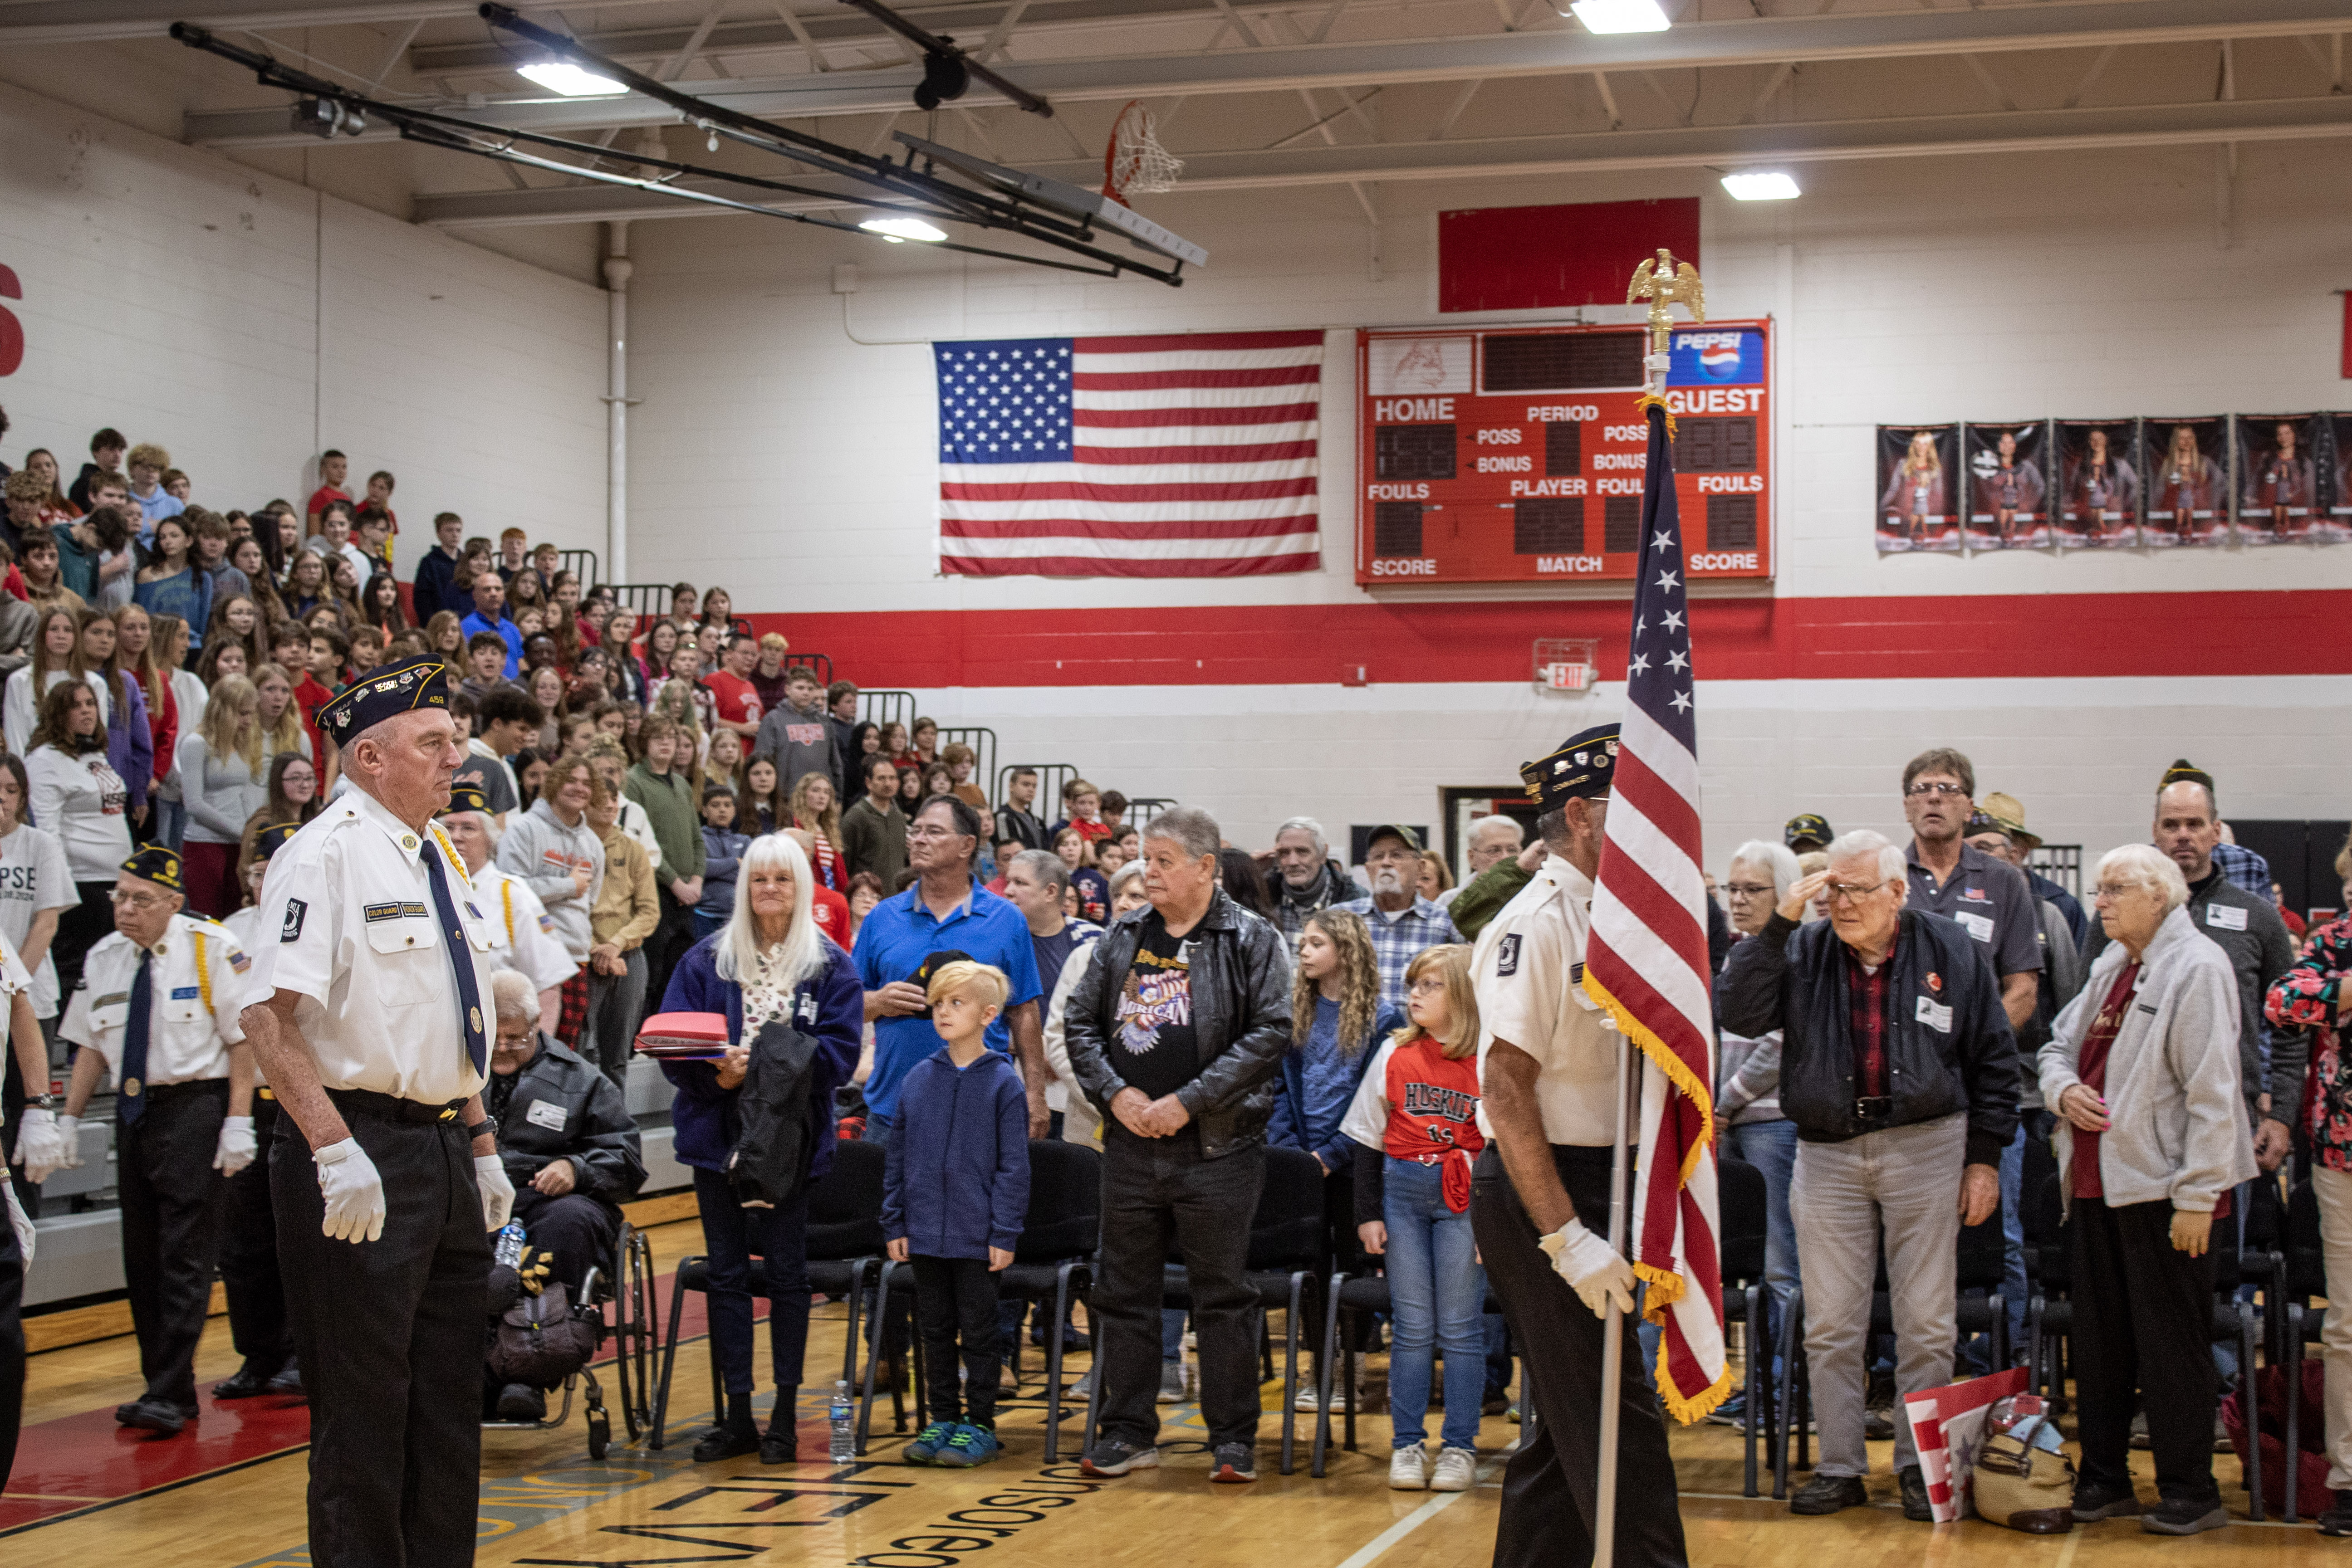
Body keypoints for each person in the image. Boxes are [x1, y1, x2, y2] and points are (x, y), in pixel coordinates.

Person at [235, 655, 510, 1568]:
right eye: (433, 743)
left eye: (457, 742)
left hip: (437, 1147)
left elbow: (449, 1016)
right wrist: (329, 1146)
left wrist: (479, 1142)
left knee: (445, 1407)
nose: (453, 760)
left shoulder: (433, 852)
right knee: (363, 1416)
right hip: (356, 1150)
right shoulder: (323, 854)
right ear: (367, 757)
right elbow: (266, 1018)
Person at [1718, 827, 2016, 1521]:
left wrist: (1985, 1157)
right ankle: (1840, 1465)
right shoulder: (1802, 946)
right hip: (1827, 1148)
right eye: (1833, 891)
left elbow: (1994, 1060)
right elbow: (1738, 1009)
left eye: (1856, 890)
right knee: (1830, 1324)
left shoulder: (1952, 949)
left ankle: (1920, 1466)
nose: (1843, 904)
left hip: (1927, 1143)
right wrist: (1779, 926)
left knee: (1926, 1324)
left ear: (1897, 891)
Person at [1465, 725, 1682, 1566]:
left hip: (1605, 1181)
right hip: (1543, 1192)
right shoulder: (1538, 922)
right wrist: (1564, 1236)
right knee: (1616, 1421)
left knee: (1568, 1428)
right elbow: (1504, 1089)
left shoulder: (1616, 919)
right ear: (1587, 816)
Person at [1065, 805, 1292, 1485]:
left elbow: (1272, 1031)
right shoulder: (1126, 934)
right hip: (1131, 1146)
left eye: (1163, 860)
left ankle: (1233, 1439)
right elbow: (1079, 1023)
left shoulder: (1252, 937)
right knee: (1121, 1291)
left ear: (1204, 867)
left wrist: (1185, 1101)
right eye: (1144, 858)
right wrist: (1119, 1096)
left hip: (1219, 1149)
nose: (1148, 872)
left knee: (1221, 1294)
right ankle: (1128, 1430)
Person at [2041, 844, 2250, 1536]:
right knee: (2100, 1343)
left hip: (2168, 1192)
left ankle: (2191, 1490)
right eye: (2099, 889)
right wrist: (2064, 1089)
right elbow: (2054, 1048)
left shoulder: (2199, 966)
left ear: (2159, 895)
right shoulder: (2110, 966)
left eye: (2114, 889)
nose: (2099, 902)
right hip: (2098, 1185)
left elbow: (2215, 1092)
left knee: (2170, 1344)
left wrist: (2199, 1195)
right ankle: (2104, 1478)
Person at [660, 833, 862, 1462]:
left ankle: (782, 1416)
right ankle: (736, 1416)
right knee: (725, 1274)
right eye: (758, 879)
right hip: (714, 1138)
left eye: (782, 879)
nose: (769, 890)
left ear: (801, 887)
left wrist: (767, 1064)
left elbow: (839, 1055)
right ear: (743, 887)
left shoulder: (830, 965)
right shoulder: (705, 961)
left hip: (791, 1145)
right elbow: (672, 1045)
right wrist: (715, 1074)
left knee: (786, 1275)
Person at [43, 846, 254, 1433]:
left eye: (140, 899)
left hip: (195, 1107)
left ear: (174, 903)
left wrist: (239, 1119)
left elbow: (244, 1040)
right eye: (119, 896)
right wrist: (66, 1118)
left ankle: (168, 1389)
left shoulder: (211, 949)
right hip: (135, 1114)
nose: (125, 908)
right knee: (142, 1257)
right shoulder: (106, 957)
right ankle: (167, 1385)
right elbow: (88, 1044)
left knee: (183, 1255)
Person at [2098, 771, 2301, 1176]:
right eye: (2172, 825)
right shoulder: (2117, 909)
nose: (2183, 835)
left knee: (2218, 1237)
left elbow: (2291, 1022)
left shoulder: (2257, 917)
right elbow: (2085, 1008)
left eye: (2195, 824)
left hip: (2228, 1117)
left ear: (2216, 831)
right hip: (2125, 1118)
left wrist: (2281, 1114)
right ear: (2156, 833)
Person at [1340, 943, 1484, 1491]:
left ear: (1464, 994)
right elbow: (1367, 1141)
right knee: (1413, 1327)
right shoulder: (1394, 1051)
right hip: (1402, 1194)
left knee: (1462, 1328)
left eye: (1431, 985)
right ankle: (1406, 1444)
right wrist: (1367, 1213)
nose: (1415, 995)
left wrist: (1494, 1223)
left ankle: (1460, 1446)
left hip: (1465, 1197)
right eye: (1414, 985)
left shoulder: (1490, 1056)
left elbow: (1504, 1146)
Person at [885, 958, 1030, 1469]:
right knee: (935, 1327)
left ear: (989, 1013)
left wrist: (1004, 1230)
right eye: (939, 1002)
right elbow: (898, 1156)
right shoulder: (919, 1078)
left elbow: (1014, 1166)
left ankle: (981, 1422)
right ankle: (943, 1416)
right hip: (924, 1231)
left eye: (957, 1002)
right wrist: (895, 1221)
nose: (944, 1012)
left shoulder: (1003, 1083)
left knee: (980, 1328)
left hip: (977, 1233)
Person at [481, 968, 645, 1420]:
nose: (502, 1048)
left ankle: (532, 1370)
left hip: (553, 1204)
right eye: (494, 1036)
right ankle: (476, 1366)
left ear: (538, 1024)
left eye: (514, 1037)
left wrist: (577, 1168)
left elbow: (627, 1161)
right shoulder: (458, 1071)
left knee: (570, 1221)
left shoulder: (582, 1079)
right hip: (483, 1200)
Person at [856, 795, 1048, 1137]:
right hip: (892, 1112)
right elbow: (849, 1004)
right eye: (915, 831)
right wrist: (880, 1001)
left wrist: (1035, 1093)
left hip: (979, 1112)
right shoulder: (882, 917)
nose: (918, 839)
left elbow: (1023, 1010)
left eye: (933, 831)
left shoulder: (1007, 920)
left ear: (967, 845)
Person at [1272, 907, 1397, 1415]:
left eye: (1316, 943)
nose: (1304, 951)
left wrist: (1334, 1153)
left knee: (1354, 1264)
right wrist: (1294, 1154)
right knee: (1311, 1265)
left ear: (1345, 952)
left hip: (1355, 1163)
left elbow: (1377, 1099)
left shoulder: (1383, 1018)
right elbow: (1280, 1087)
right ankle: (1318, 1363)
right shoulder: (1295, 1013)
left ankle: (1352, 1361)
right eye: (1303, 942)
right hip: (1304, 1164)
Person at [2266, 844, 2352, 1536]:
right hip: (2342, 1156)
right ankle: (2351, 1478)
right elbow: (2285, 1004)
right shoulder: (2331, 944)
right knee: (2349, 1325)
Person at [212, 820, 303, 1400]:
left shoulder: (316, 921)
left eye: (276, 869)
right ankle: (257, 1355)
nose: (264, 878)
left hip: (306, 1098)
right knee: (242, 1240)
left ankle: (299, 1351)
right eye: (257, 869)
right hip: (253, 1102)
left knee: (297, 1235)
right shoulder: (230, 934)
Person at [1715, 839, 1802, 1417]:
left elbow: (1780, 1042)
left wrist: (1725, 1102)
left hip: (1771, 1124)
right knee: (1752, 1265)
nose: (1739, 901)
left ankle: (1787, 1391)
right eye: (1733, 889)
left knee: (1782, 1265)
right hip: (1736, 1122)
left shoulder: (1796, 951)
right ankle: (1763, 1389)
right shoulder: (1739, 950)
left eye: (1753, 890)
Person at [25, 679, 133, 1001]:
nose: (87, 710)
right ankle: (67, 1049)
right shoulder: (45, 760)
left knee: (107, 968)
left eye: (90, 703)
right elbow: (47, 828)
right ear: (58, 714)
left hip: (114, 879)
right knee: (76, 971)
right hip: (81, 882)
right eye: (76, 705)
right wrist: (61, 886)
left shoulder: (93, 753)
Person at [0, 756, 72, 1220]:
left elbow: (46, 923)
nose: (1, 798)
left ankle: (21, 1229)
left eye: (9, 789)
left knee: (26, 1123)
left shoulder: (39, 844)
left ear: (23, 797)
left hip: (30, 1001)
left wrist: (9, 988)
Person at [439, 785, 576, 1027]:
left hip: (501, 1042)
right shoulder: (428, 889)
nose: (456, 836)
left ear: (490, 839)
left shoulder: (512, 894)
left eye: (468, 828)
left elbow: (547, 987)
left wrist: (533, 1059)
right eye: (449, 827)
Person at [497, 756, 605, 1051]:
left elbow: (591, 899)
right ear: (555, 783)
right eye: (571, 780)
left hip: (575, 958)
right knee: (524, 1049)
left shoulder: (593, 843)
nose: (579, 788)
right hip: (532, 960)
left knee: (563, 1054)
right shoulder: (524, 829)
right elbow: (509, 887)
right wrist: (567, 885)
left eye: (586, 783)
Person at [584, 774, 659, 1088]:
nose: (610, 805)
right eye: (601, 799)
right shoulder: (574, 846)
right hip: (581, 957)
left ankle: (613, 1126)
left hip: (627, 957)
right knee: (579, 1052)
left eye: (614, 799)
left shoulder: (633, 849)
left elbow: (650, 911)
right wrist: (594, 949)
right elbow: (560, 910)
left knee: (617, 1055)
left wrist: (615, 945)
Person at [1338, 824, 1461, 1007]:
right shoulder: (1341, 919)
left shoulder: (1445, 922)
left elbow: (1463, 991)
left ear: (1420, 869)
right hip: (1351, 1033)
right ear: (1368, 868)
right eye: (1378, 857)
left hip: (1418, 1034)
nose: (1386, 863)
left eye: (1397, 855)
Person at [628, 715, 706, 1006]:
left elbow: (698, 839)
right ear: (644, 743)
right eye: (658, 737)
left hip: (687, 895)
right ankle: (639, 1039)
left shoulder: (682, 785)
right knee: (652, 971)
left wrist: (697, 879)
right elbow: (640, 844)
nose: (665, 743)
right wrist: (675, 883)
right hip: (656, 890)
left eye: (671, 738)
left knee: (677, 970)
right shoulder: (633, 781)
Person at [1271, 816, 1367, 939]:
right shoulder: (1264, 896)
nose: (1292, 862)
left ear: (1323, 854)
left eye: (1302, 852)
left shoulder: (1354, 899)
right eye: (1284, 853)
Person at [843, 754, 910, 888]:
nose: (888, 784)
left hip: (894, 898)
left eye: (892, 778)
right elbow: (845, 864)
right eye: (881, 778)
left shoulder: (899, 817)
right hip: (868, 898)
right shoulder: (856, 816)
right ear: (869, 783)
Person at [697, 786, 749, 939]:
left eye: (727, 805)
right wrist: (736, 862)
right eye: (715, 805)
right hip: (704, 915)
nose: (722, 810)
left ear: (734, 810)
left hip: (738, 916)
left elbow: (750, 872)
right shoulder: (698, 839)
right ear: (705, 811)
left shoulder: (744, 841)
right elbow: (701, 868)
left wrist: (716, 870)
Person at [995, 766, 1048, 853]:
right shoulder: (1003, 818)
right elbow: (1007, 852)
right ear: (1012, 786)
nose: (1031, 790)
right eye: (1026, 785)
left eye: (1034, 786)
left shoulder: (1038, 822)